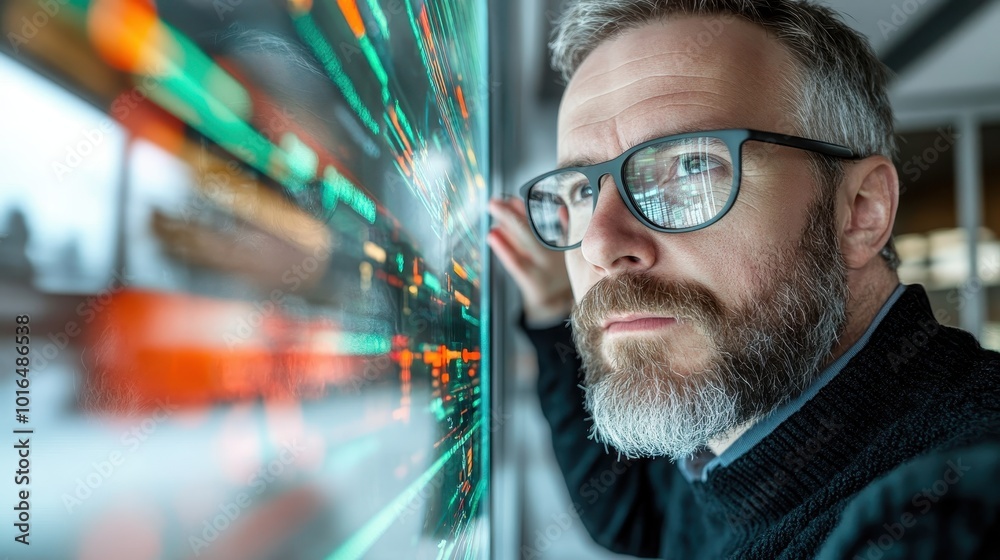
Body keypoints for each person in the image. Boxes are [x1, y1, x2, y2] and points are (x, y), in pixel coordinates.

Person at [487, 0, 1000, 557]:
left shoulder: (948, 508)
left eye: (691, 166)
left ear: (860, 211)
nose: (600, 244)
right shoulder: (730, 425)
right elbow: (633, 514)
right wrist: (548, 310)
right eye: (584, 191)